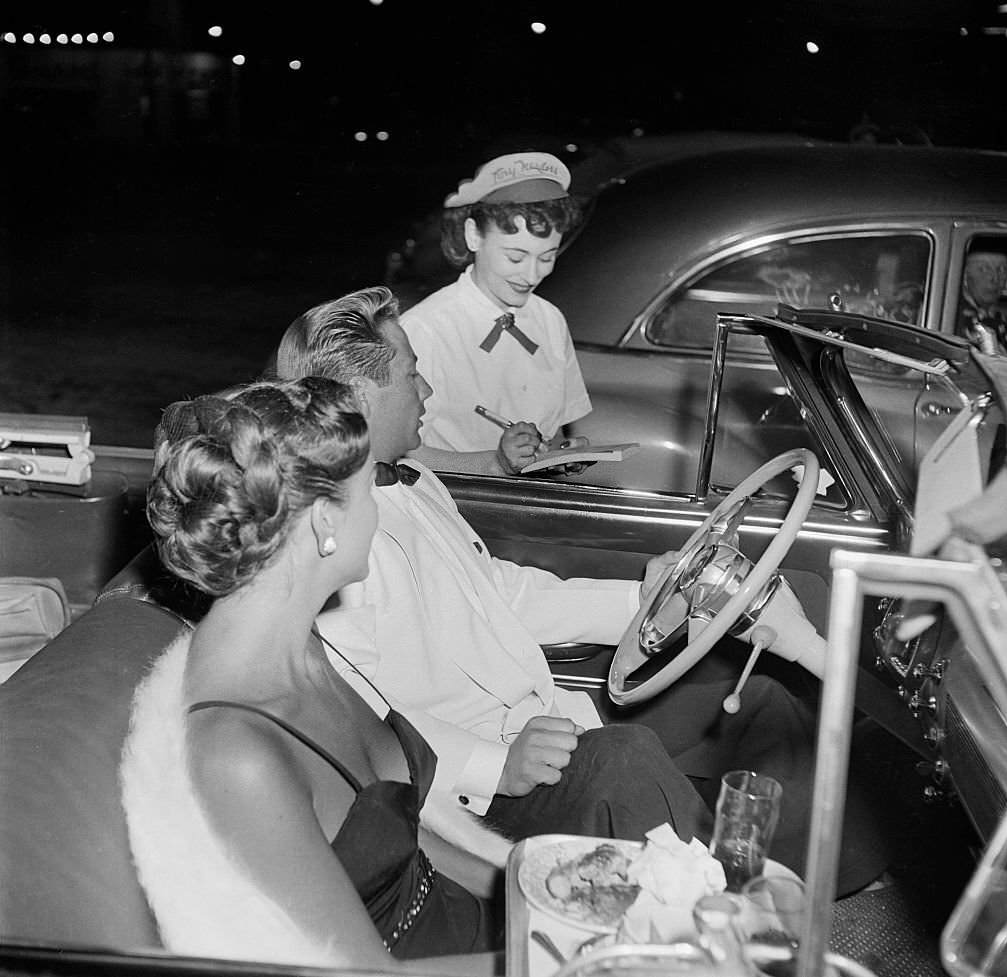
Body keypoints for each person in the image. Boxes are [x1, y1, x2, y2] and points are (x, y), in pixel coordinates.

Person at [275, 286, 893, 898]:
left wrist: (645, 603)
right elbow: (360, 720)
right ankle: (709, 922)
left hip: (545, 716)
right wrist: (497, 767)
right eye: (412, 376)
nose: (428, 392)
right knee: (625, 761)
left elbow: (504, 595)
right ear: (358, 396)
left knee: (762, 699)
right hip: (484, 786)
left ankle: (819, 887)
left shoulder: (413, 483)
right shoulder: (335, 544)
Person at [119, 377, 505, 974]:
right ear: (326, 520)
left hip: (471, 928)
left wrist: (533, 891)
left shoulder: (300, 642)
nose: (378, 509)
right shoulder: (237, 751)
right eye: (370, 489)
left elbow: (407, 841)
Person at [399, 151, 592, 476]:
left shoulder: (551, 320)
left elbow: (553, 432)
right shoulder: (424, 329)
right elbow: (399, 453)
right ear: (474, 235)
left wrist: (560, 453)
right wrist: (497, 463)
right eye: (516, 257)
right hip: (455, 507)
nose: (532, 276)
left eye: (546, 258)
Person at [957, 245, 1007, 358]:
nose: (994, 278)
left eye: (1002, 269)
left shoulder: (994, 316)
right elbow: (994, 368)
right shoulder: (958, 318)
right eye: (983, 269)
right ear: (964, 274)